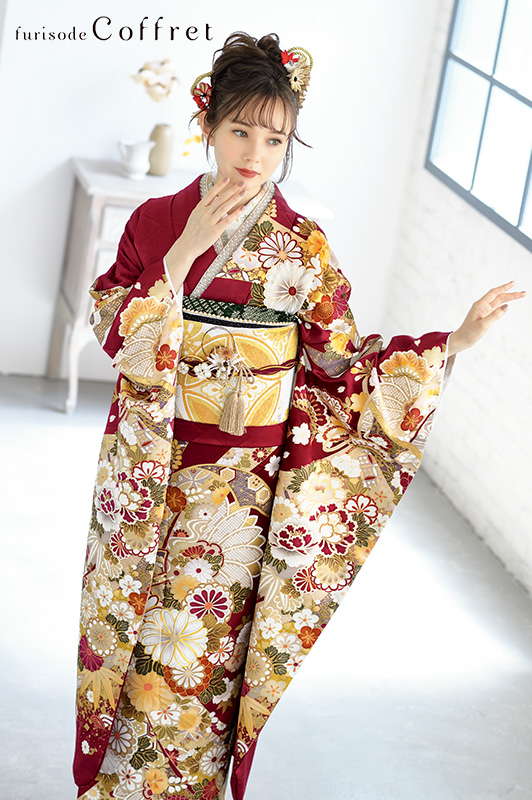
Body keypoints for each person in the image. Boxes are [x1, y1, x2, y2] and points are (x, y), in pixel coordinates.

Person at [73, 31, 525, 800]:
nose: (256, 153)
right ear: (207, 125)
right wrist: (182, 253)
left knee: (203, 656)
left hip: (243, 497)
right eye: (240, 131)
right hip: (156, 473)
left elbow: (342, 366)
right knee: (138, 641)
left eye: (275, 139)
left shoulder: (302, 246)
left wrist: (453, 343)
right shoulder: (154, 221)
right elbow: (115, 329)